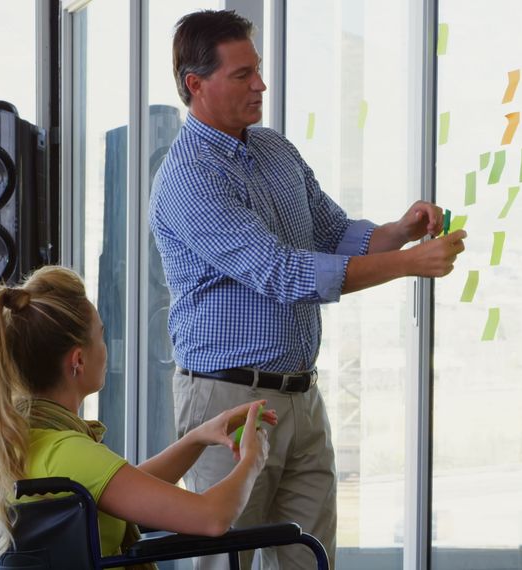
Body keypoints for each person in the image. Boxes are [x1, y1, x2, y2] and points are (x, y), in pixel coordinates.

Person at [149, 9, 467, 569]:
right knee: (227, 561)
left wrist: (400, 232)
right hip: (227, 402)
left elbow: (334, 234)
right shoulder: (188, 176)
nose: (260, 85)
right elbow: (284, 274)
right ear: (195, 85)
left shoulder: (274, 149)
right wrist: (409, 263)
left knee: (311, 559)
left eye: (259, 70)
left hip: (302, 398)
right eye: (243, 74)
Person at [0, 265, 278, 564]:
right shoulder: (69, 451)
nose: (107, 346)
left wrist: (197, 439)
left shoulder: (34, 440)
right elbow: (212, 517)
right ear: (78, 360)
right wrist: (252, 459)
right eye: (101, 334)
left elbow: (123, 488)